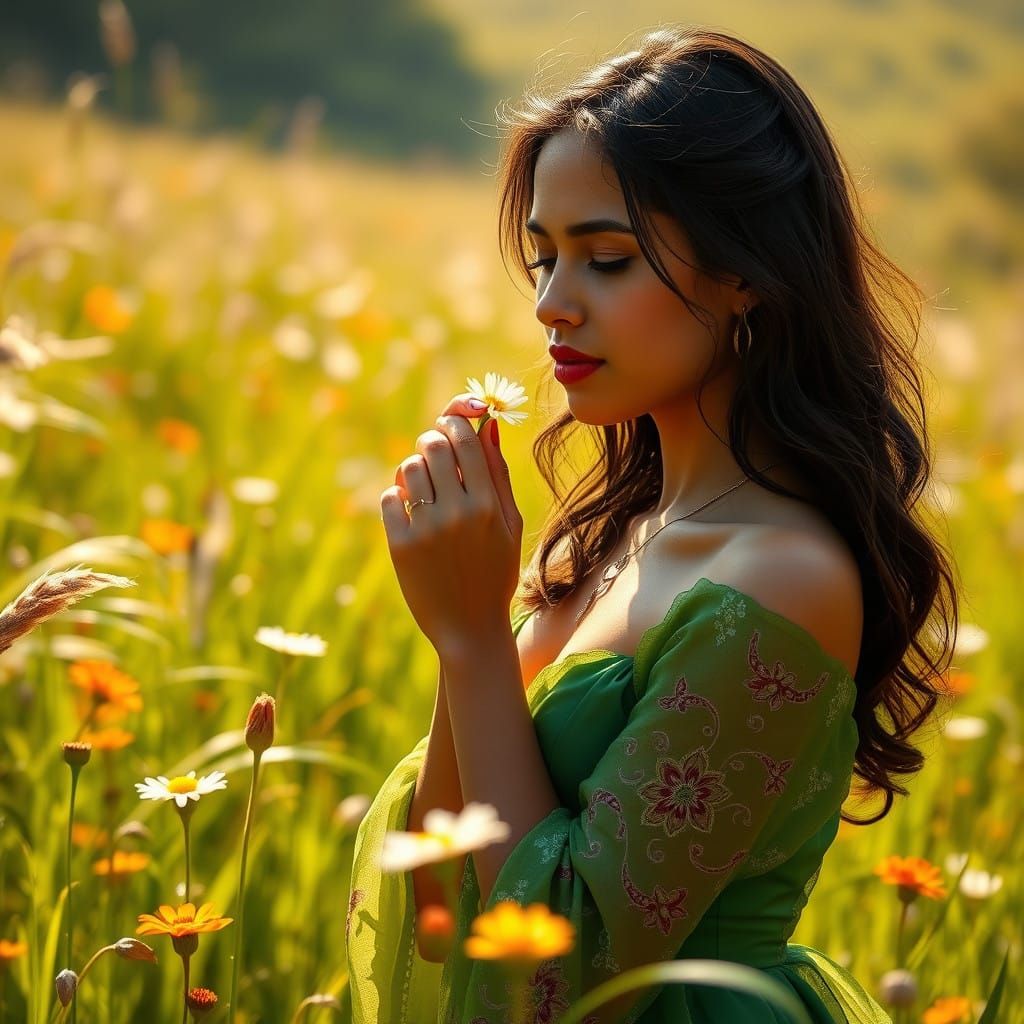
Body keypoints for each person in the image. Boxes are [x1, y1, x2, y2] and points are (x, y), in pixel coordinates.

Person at [346, 26, 958, 1024]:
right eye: (544, 258)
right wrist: (466, 631)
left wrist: (474, 637)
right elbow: (439, 907)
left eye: (607, 259)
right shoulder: (612, 540)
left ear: (745, 269)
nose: (552, 304)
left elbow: (571, 978)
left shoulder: (783, 578)